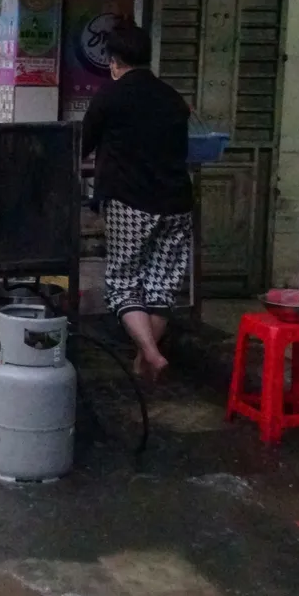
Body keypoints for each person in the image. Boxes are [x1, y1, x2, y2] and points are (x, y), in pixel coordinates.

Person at [82, 20, 193, 380]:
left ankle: (149, 352)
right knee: (162, 285)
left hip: (129, 201)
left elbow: (80, 144)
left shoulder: (109, 96)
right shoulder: (173, 98)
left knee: (123, 280)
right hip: (177, 202)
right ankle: (145, 362)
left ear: (114, 61)